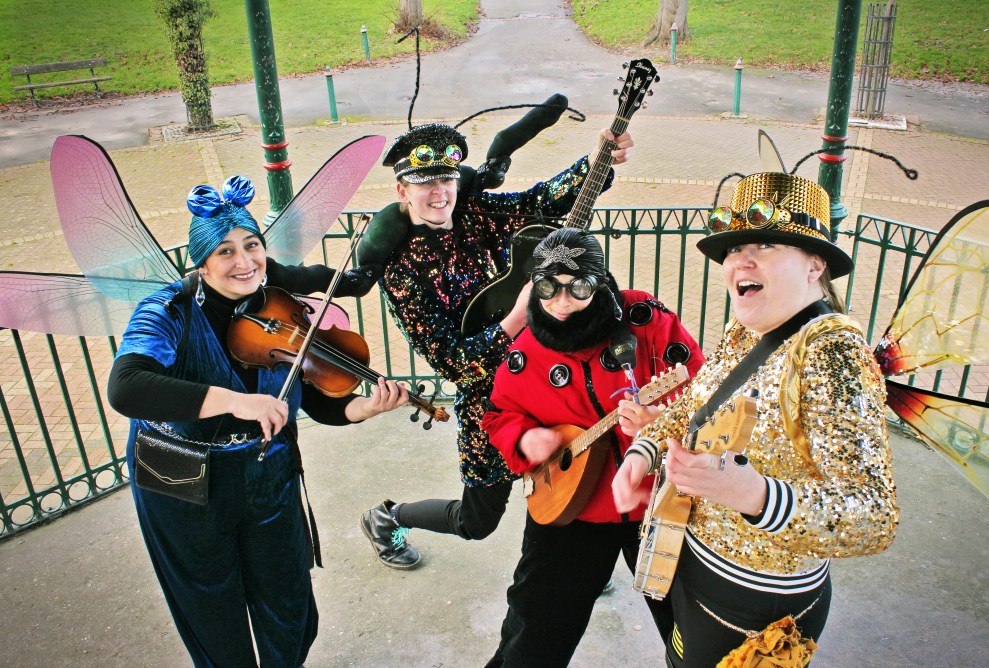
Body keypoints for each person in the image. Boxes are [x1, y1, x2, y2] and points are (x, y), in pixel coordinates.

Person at [107, 175, 408, 667]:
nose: (244, 262)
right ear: (202, 264)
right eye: (225, 252)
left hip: (266, 473)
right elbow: (127, 387)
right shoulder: (167, 311)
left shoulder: (280, 309)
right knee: (212, 611)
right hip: (183, 482)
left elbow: (319, 402)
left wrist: (366, 406)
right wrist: (235, 401)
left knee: (290, 606)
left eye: (252, 245)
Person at [612, 172, 900, 667]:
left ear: (815, 266)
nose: (739, 262)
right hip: (690, 559)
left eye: (765, 244)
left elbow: (873, 516)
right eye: (733, 249)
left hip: (757, 604)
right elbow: (694, 407)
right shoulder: (743, 331)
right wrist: (644, 449)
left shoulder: (832, 353)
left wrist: (757, 496)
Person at [359, 123, 634, 569]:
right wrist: (515, 319)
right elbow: (454, 363)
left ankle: (567, 568)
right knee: (476, 522)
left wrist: (596, 160)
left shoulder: (473, 212)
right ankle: (388, 517)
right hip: (492, 401)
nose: (438, 193)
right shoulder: (401, 269)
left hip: (545, 373)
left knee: (574, 471)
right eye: (423, 182)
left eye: (446, 179)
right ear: (402, 190)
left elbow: (537, 202)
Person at [481, 227, 705, 667]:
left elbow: (704, 390)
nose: (561, 302)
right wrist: (526, 439)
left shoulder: (645, 319)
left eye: (578, 286)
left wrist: (661, 423)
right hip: (572, 510)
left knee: (698, 633)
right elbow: (498, 415)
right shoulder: (525, 350)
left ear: (600, 281)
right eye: (548, 287)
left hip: (660, 501)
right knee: (532, 633)